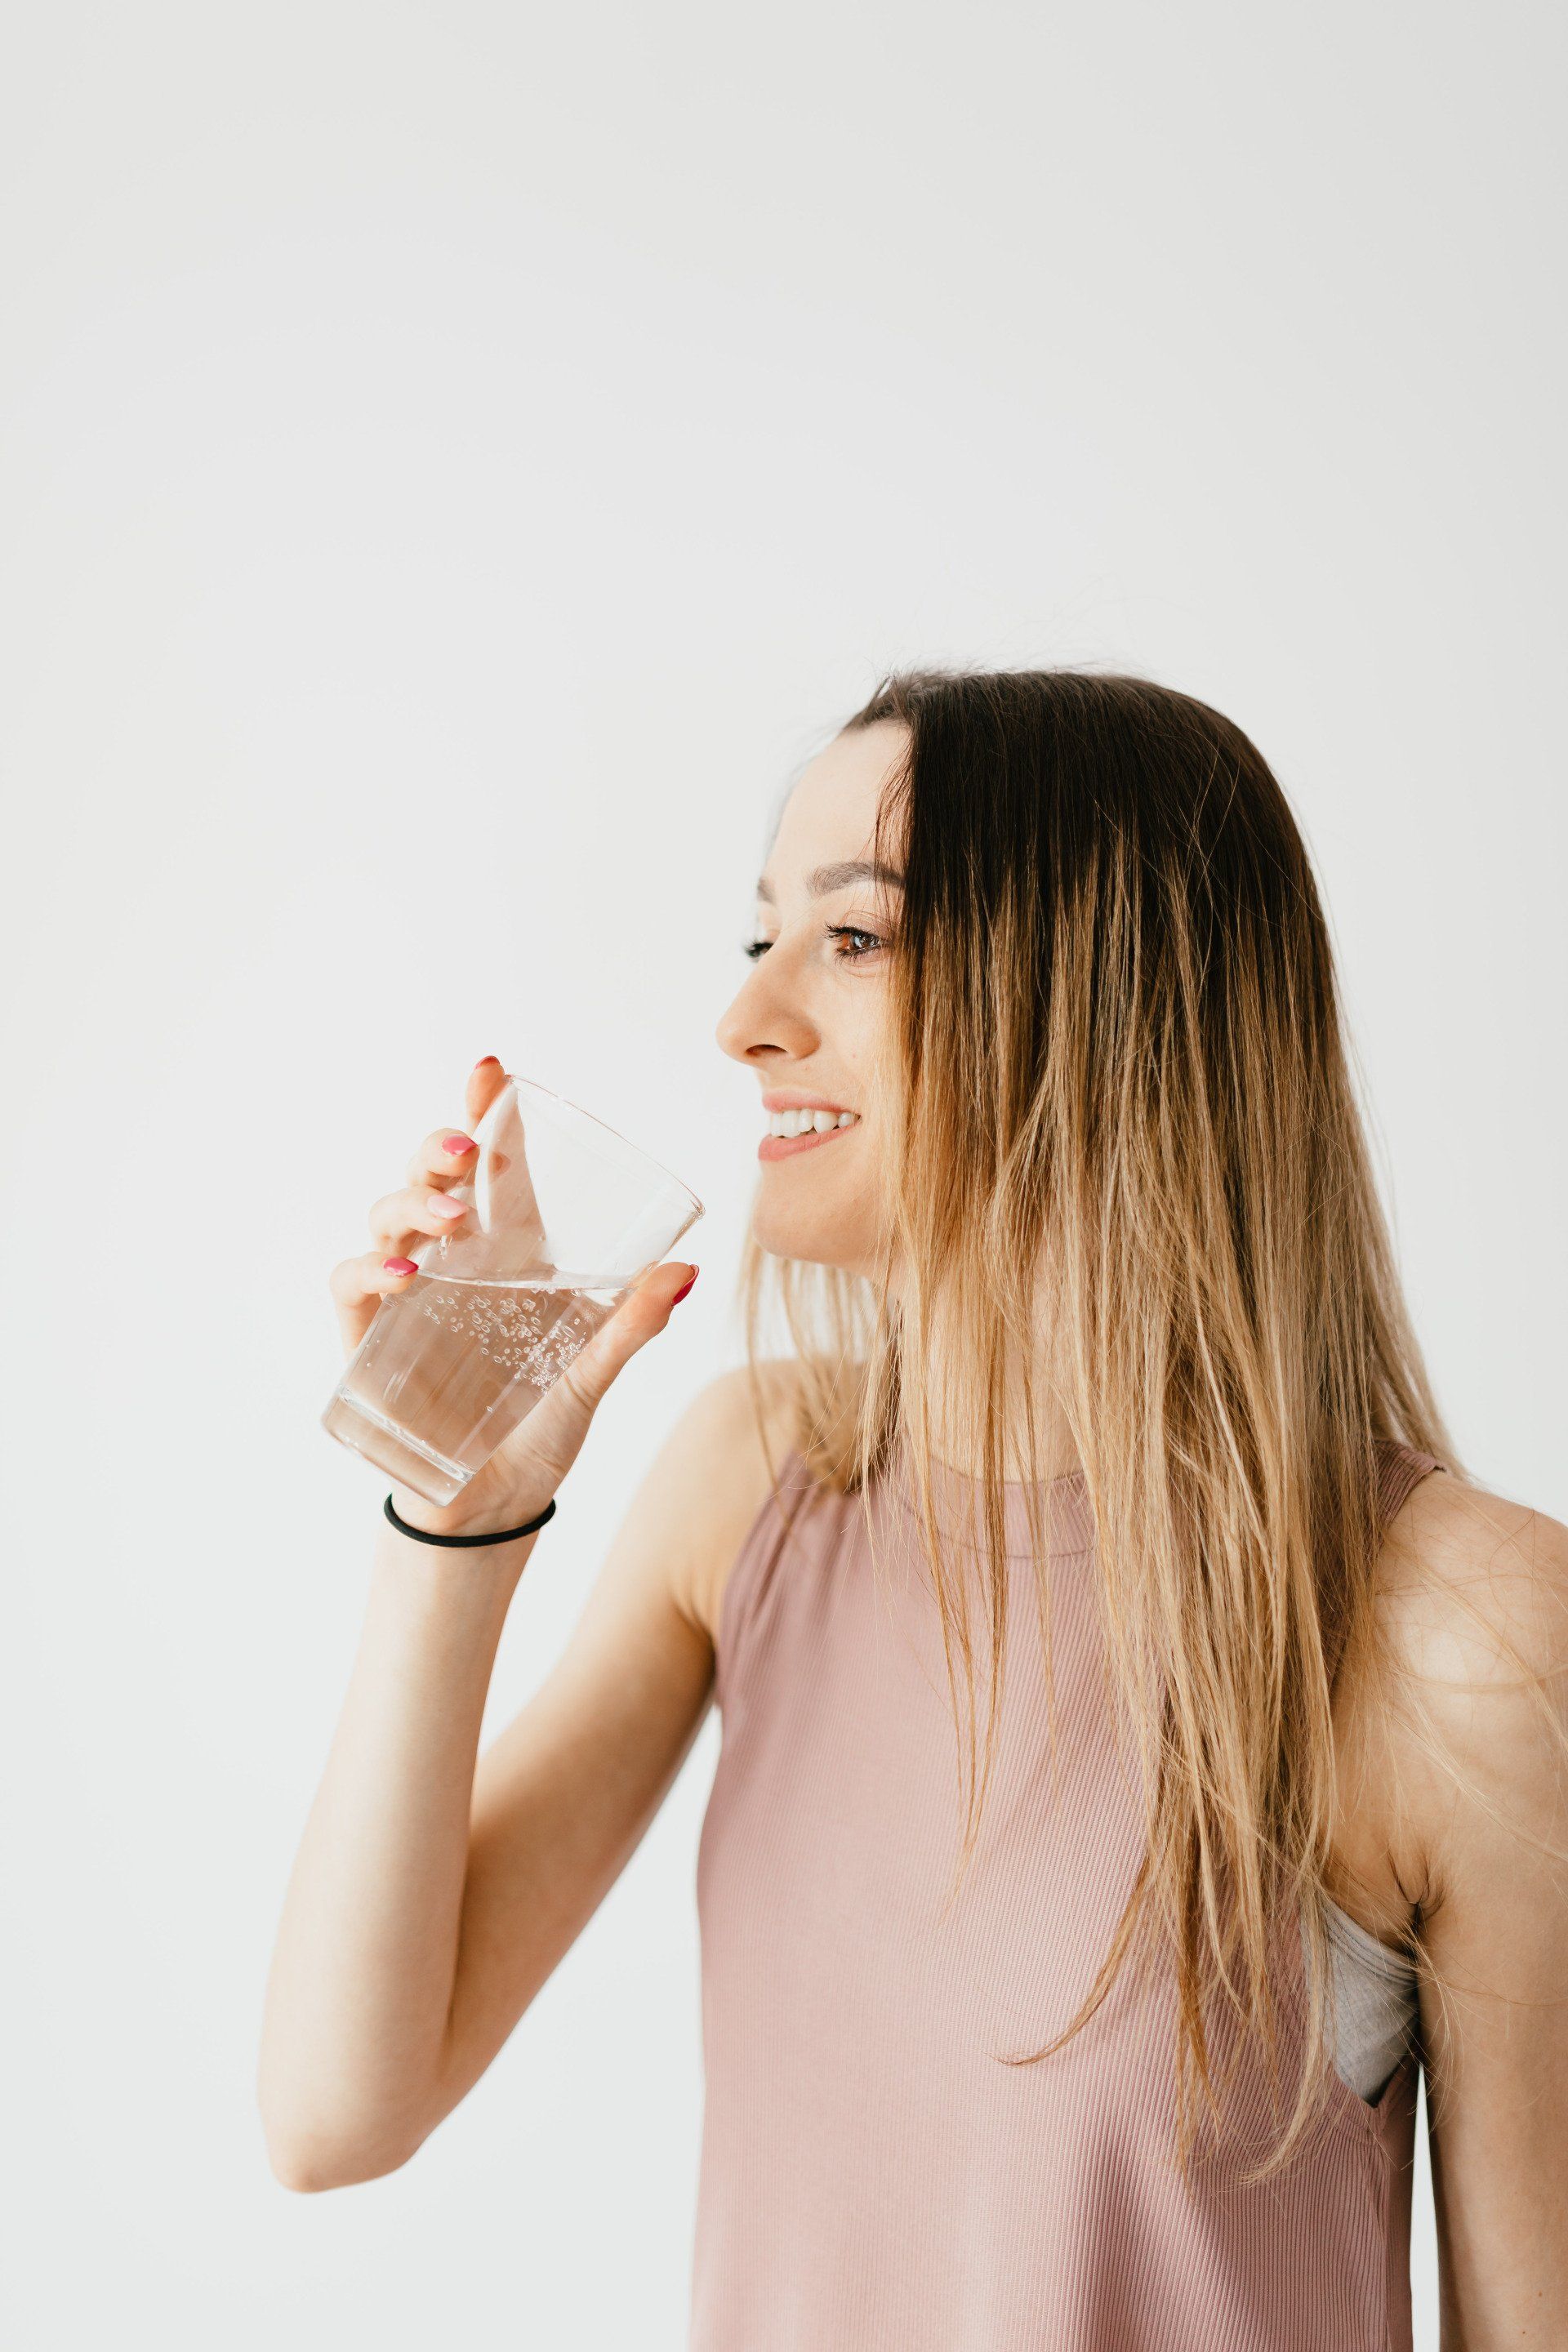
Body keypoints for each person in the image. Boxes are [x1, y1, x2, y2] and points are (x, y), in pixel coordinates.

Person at [259, 668, 1568, 2350]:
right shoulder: (752, 1492)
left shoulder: (1461, 1631)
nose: (748, 1022)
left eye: (856, 939)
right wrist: (450, 1511)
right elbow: (331, 2112)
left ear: (1114, 989)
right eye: (760, 941)